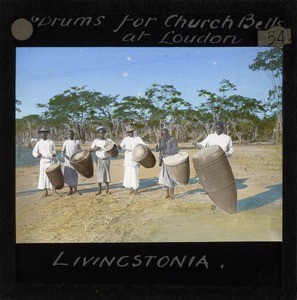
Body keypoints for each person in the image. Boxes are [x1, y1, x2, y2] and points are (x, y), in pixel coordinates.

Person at [117, 125, 146, 195]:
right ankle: (131, 188)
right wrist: (118, 147)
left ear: (133, 131)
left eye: (131, 132)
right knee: (128, 174)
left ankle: (135, 189)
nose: (130, 133)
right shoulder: (125, 139)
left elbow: (144, 145)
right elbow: (120, 147)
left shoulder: (138, 138)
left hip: (136, 158)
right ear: (127, 133)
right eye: (128, 132)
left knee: (135, 174)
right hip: (128, 159)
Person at [89, 127, 114, 195]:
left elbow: (114, 148)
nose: (101, 134)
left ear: (105, 133)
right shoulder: (96, 141)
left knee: (107, 174)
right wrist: (95, 148)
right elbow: (90, 150)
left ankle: (107, 190)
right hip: (99, 159)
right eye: (100, 133)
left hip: (106, 159)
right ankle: (99, 190)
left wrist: (111, 150)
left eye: (103, 132)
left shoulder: (108, 140)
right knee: (99, 174)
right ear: (98, 133)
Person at [32, 126, 56, 197]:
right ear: (40, 134)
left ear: (47, 134)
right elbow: (34, 152)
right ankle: (46, 191)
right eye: (42, 133)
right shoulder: (38, 143)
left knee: (53, 176)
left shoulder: (51, 142)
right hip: (42, 161)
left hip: (50, 161)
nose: (44, 134)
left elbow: (54, 150)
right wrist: (37, 155)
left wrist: (54, 153)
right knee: (43, 176)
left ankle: (55, 191)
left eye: (45, 133)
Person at [155, 128, 179, 199]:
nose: (163, 135)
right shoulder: (162, 140)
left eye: (165, 133)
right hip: (164, 160)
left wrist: (167, 152)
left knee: (171, 177)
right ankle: (167, 193)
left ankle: (172, 193)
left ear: (168, 133)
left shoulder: (173, 140)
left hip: (171, 160)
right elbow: (161, 148)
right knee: (165, 177)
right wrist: (157, 149)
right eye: (162, 134)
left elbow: (175, 149)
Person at [61, 129, 81, 195]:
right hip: (67, 162)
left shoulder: (76, 143)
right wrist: (64, 156)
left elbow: (80, 151)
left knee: (75, 175)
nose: (70, 135)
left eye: (71, 134)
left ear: (73, 134)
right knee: (69, 175)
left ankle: (75, 189)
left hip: (75, 162)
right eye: (69, 134)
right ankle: (70, 190)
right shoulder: (65, 142)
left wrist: (78, 159)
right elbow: (62, 152)